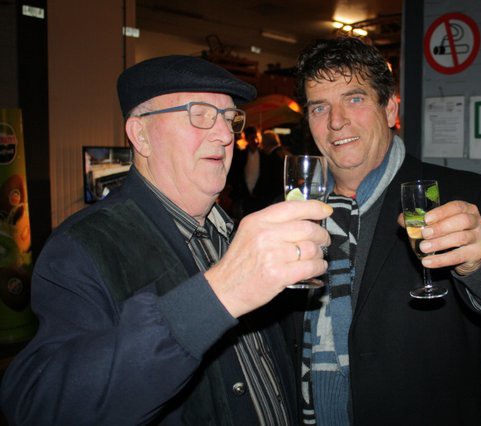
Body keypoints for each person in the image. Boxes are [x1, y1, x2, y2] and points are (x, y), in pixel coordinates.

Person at [0, 55, 332, 425]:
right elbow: (38, 406)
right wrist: (219, 294)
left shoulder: (236, 232)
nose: (226, 135)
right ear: (140, 135)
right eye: (200, 114)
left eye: (229, 118)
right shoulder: (82, 248)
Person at [280, 37, 481, 425]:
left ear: (390, 109)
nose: (336, 121)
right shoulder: (291, 211)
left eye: (355, 99)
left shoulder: (460, 196)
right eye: (320, 107)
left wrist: (479, 269)